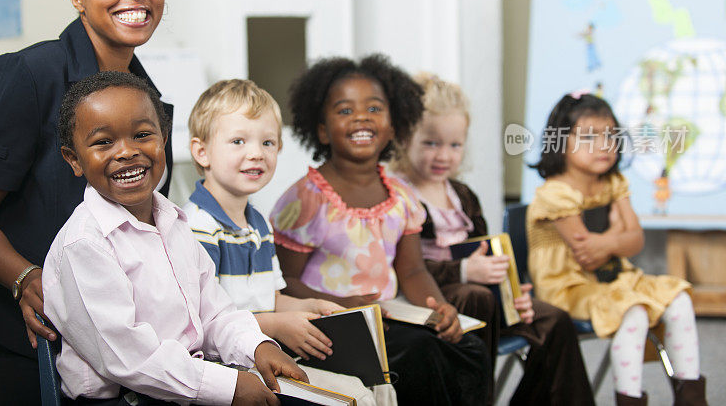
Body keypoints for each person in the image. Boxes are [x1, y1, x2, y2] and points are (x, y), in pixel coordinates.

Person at [0, 0, 174, 405]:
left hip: (117, 352)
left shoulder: (145, 96)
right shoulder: (28, 75)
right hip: (29, 349)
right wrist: (27, 279)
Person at [43, 71, 306, 405]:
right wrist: (229, 386)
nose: (126, 152)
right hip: (124, 398)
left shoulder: (174, 221)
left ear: (163, 138)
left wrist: (257, 346)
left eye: (141, 135)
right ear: (73, 159)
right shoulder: (85, 244)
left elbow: (215, 312)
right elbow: (128, 359)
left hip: (184, 380)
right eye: (103, 142)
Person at [270, 55, 490, 406]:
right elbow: (285, 282)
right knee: (420, 354)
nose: (360, 117)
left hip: (390, 317)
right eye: (344, 110)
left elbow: (413, 270)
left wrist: (441, 308)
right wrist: (343, 306)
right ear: (322, 129)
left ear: (394, 126)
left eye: (374, 108)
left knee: (469, 348)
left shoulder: (402, 196)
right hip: (329, 327)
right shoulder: (304, 200)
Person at [183, 79, 397, 406]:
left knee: (379, 384)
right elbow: (204, 324)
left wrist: (307, 307)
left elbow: (271, 299)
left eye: (268, 143)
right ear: (202, 152)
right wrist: (277, 325)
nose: (256, 153)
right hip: (229, 368)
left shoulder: (257, 224)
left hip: (265, 352)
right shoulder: (198, 226)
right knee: (355, 396)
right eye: (238, 141)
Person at [389, 73, 594, 406]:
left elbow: (486, 252)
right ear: (403, 138)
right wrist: (465, 272)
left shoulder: (462, 195)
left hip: (481, 298)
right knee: (476, 296)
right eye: (431, 143)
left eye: (455, 145)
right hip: (423, 302)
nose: (444, 155)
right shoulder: (397, 194)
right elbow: (404, 268)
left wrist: (512, 293)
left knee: (553, 320)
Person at [527, 92, 706, 406]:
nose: (603, 146)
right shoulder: (555, 193)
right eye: (588, 137)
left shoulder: (614, 182)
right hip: (569, 287)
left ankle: (691, 396)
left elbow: (636, 240)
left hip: (616, 281)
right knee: (632, 311)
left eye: (610, 136)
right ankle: (629, 399)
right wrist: (617, 234)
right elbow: (587, 255)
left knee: (678, 298)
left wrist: (611, 240)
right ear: (560, 142)